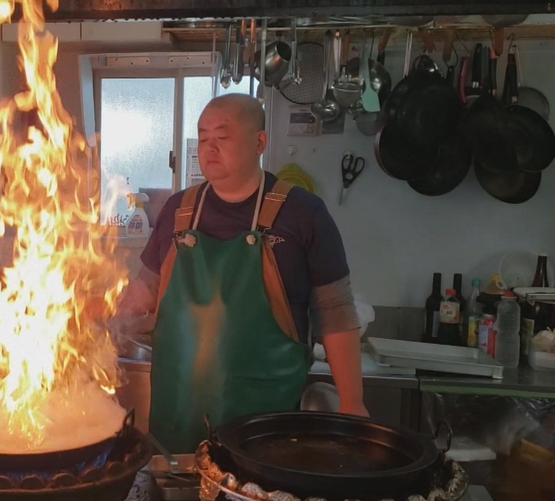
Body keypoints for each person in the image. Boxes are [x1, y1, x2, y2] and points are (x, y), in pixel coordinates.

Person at [114, 93, 367, 454]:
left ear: (259, 142)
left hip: (265, 429)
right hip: (177, 422)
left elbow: (336, 314)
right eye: (202, 138)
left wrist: (352, 401)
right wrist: (83, 305)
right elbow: (146, 291)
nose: (209, 148)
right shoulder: (178, 211)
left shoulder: (303, 214)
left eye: (223, 136)